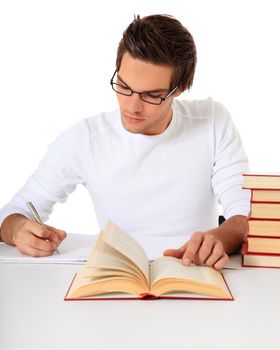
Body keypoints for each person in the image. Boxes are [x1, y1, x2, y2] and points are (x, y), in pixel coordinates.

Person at [0, 14, 250, 269]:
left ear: (181, 88)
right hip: (116, 279)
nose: (131, 106)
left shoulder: (212, 121)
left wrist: (217, 239)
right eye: (124, 85)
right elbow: (10, 216)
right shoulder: (85, 138)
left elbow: (245, 214)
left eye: (152, 95)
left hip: (194, 274)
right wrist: (18, 229)